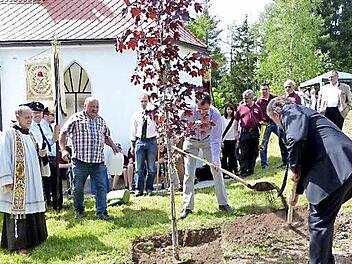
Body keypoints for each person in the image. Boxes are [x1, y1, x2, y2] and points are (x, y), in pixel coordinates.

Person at [267, 97, 352, 264]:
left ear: (276, 114)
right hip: (345, 165)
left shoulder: (291, 112)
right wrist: (297, 192)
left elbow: (297, 140)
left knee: (319, 220)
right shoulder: (305, 114)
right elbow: (304, 153)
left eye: (274, 122)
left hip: (335, 166)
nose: (279, 126)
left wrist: (293, 167)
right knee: (324, 218)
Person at [59, 97, 120, 221]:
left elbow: (106, 136)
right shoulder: (76, 118)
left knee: (102, 187)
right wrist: (63, 149)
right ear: (85, 106)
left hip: (98, 161)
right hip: (80, 160)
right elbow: (63, 133)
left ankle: (102, 212)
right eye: (92, 106)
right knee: (78, 188)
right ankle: (79, 211)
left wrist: (113, 145)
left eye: (97, 107)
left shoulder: (101, 121)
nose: (95, 109)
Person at [0, 106, 48, 254]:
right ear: (17, 117)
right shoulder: (8, 134)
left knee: (31, 209)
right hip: (17, 181)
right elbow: (3, 156)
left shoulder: (31, 134)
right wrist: (6, 178)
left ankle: (35, 239)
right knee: (18, 211)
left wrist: (41, 154)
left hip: (32, 181)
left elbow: (32, 155)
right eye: (26, 117)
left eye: (31, 117)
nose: (30, 120)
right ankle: (18, 244)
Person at [178, 94, 234, 220]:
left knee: (216, 170)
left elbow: (216, 139)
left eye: (205, 110)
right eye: (200, 109)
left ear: (210, 105)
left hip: (209, 141)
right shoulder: (187, 111)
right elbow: (178, 126)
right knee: (189, 174)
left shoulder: (216, 115)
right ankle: (187, 207)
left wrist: (215, 158)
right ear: (195, 104)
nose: (203, 112)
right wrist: (188, 128)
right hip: (191, 141)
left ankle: (223, 203)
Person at [130, 94, 158, 196]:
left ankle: (149, 188)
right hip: (140, 142)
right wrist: (132, 145)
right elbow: (133, 131)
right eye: (142, 101)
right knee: (139, 168)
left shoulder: (154, 114)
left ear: (148, 101)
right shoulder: (136, 115)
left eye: (145, 101)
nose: (143, 103)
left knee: (151, 168)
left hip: (151, 142)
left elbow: (158, 127)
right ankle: (138, 189)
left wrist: (160, 141)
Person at [256, 83, 288, 169]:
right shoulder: (258, 102)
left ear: (269, 89)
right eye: (263, 89)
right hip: (265, 124)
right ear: (260, 90)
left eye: (266, 89)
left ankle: (286, 160)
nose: (264, 91)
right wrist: (260, 121)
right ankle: (264, 164)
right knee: (263, 144)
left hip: (276, 122)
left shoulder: (275, 98)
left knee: (284, 140)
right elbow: (256, 114)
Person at [234, 89, 264, 177]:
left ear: (252, 98)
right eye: (244, 98)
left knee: (253, 152)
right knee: (244, 152)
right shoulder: (240, 108)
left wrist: (262, 133)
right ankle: (244, 170)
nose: (245, 100)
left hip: (254, 132)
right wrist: (236, 132)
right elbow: (236, 121)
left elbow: (261, 120)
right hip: (244, 132)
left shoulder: (257, 108)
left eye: (247, 98)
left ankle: (251, 169)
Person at [41, 107, 63, 210]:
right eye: (52, 115)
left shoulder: (49, 126)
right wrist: (55, 131)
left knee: (56, 181)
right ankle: (52, 202)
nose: (53, 117)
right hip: (48, 157)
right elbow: (50, 141)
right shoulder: (42, 126)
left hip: (54, 156)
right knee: (50, 181)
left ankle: (57, 202)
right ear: (45, 115)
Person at [221, 103, 238, 175]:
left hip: (233, 139)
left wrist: (237, 139)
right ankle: (224, 171)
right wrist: (221, 141)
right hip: (225, 140)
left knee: (232, 155)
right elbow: (220, 130)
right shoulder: (222, 119)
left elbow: (236, 129)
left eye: (231, 109)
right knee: (224, 156)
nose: (229, 111)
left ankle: (233, 169)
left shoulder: (235, 119)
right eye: (228, 109)